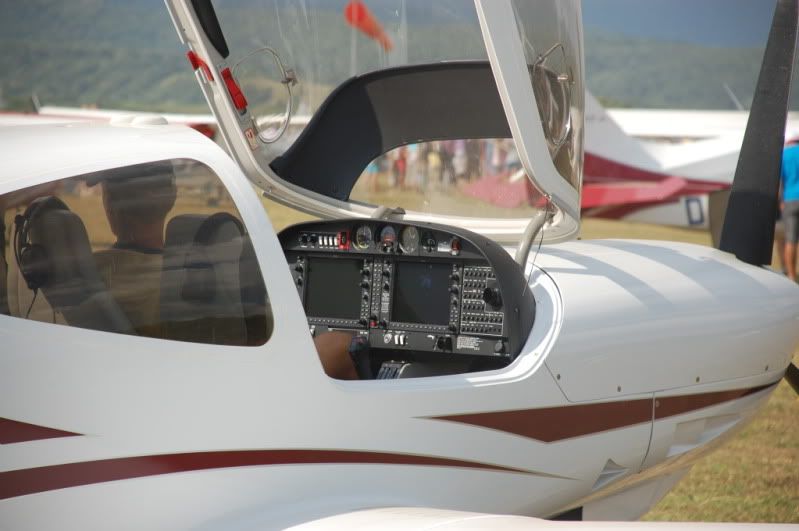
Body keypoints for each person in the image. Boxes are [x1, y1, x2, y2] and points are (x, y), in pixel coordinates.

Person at [95, 168, 359, 378]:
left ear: (109, 203)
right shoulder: (194, 278)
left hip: (139, 381)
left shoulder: (89, 273)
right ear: (171, 196)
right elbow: (262, 339)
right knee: (339, 348)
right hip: (196, 387)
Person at [780, 142, 799, 281]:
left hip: (790, 199)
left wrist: (780, 201)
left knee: (790, 240)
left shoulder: (784, 155)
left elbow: (779, 180)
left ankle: (791, 276)